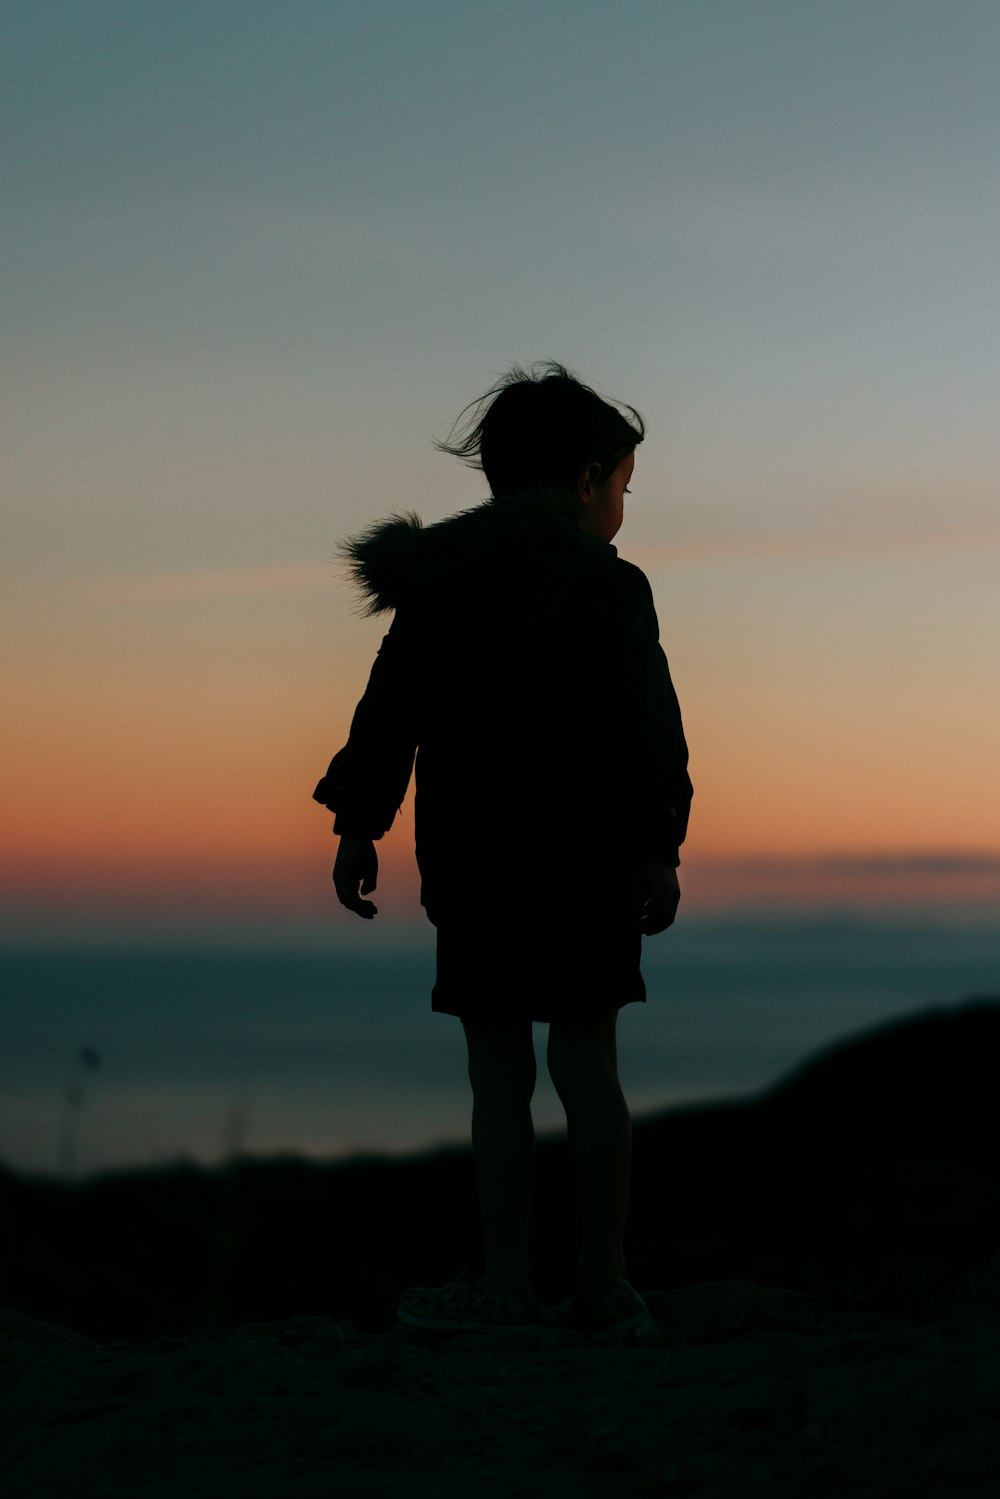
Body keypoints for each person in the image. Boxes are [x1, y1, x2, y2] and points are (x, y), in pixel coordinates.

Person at [313, 362, 692, 1333]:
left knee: (497, 1075)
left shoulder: (438, 585)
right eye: (621, 487)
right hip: (587, 862)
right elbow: (646, 723)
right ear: (585, 480)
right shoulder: (608, 587)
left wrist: (360, 820)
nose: (620, 508)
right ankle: (603, 1281)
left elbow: (386, 712)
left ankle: (504, 1279)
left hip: (473, 860)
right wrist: (656, 846)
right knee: (586, 1061)